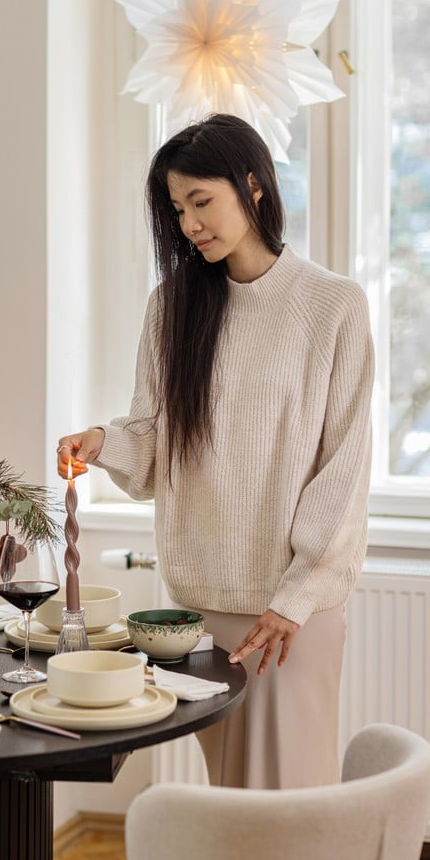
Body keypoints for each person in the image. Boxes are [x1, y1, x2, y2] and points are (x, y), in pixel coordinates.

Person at [57, 114, 374, 790]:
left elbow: (342, 467)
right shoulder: (172, 306)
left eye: (201, 201)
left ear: (253, 185)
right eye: (177, 210)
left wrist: (296, 596)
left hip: (289, 608)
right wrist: (103, 442)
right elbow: (154, 436)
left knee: (292, 796)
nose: (190, 224)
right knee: (229, 800)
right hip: (197, 607)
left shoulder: (333, 305)